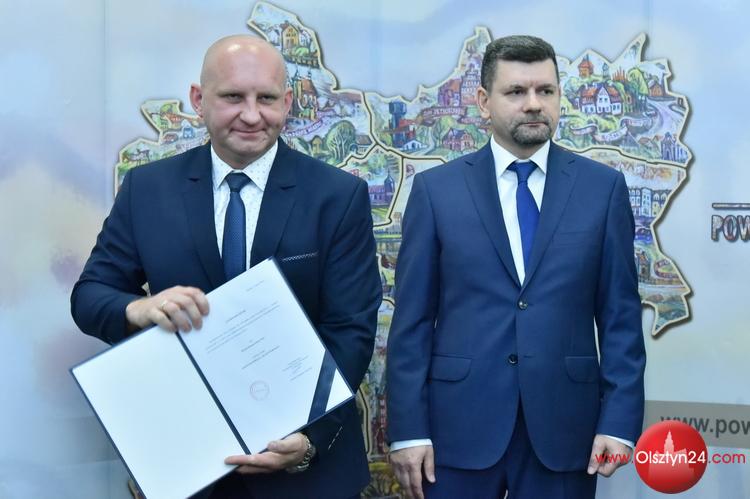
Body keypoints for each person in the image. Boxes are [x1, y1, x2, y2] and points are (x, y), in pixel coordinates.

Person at [71, 35, 381, 499]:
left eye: (267, 99)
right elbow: (90, 295)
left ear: (287, 103)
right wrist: (140, 309)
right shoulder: (147, 190)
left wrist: (310, 440)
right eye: (233, 96)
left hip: (306, 473)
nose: (252, 115)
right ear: (199, 100)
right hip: (188, 464)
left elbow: (350, 330)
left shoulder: (337, 196)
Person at [385, 35, 645, 499]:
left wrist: (619, 421)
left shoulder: (602, 190)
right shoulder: (436, 192)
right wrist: (408, 431)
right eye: (516, 92)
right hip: (457, 430)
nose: (533, 104)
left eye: (546, 91)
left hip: (565, 431)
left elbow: (620, 317)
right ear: (484, 102)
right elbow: (412, 323)